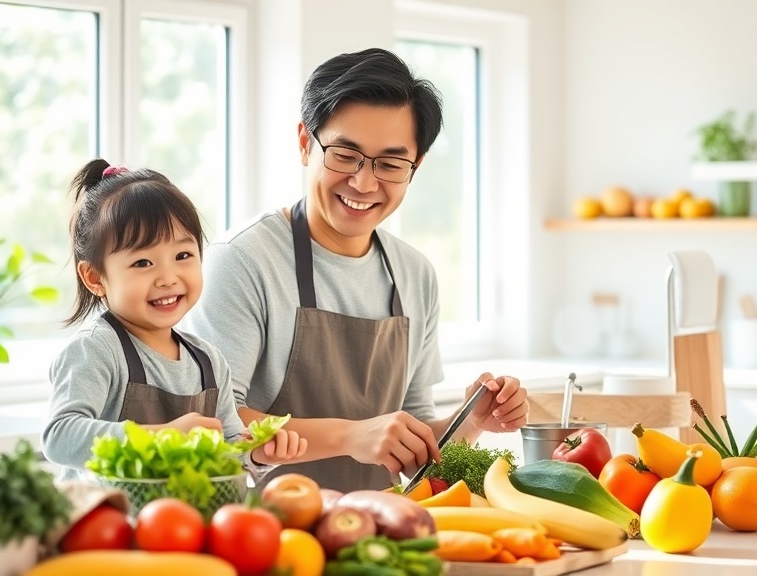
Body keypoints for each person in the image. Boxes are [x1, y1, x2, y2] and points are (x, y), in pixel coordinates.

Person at [180, 48, 528, 492]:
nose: (364, 183)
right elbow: (216, 425)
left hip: (378, 537)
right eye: (345, 155)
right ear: (305, 143)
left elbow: (413, 445)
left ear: (415, 167)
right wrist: (350, 436)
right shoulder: (244, 261)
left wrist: (472, 421)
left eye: (390, 163)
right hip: (266, 536)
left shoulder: (415, 274)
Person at [42, 160, 307, 481]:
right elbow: (59, 436)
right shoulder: (96, 349)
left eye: (183, 256)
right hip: (108, 526)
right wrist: (161, 435)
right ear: (95, 277)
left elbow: (228, 445)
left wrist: (257, 451)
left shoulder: (208, 361)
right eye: (142, 262)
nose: (168, 277)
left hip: (183, 527)